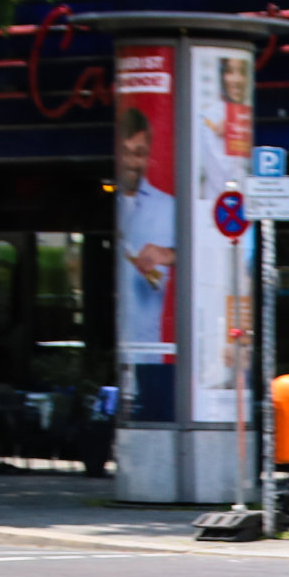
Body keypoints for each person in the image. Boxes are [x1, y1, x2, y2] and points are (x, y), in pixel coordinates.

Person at [114, 105, 176, 421]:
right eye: (126, 152)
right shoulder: (109, 203)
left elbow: (204, 250)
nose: (132, 162)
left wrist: (169, 254)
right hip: (114, 352)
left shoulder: (168, 208)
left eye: (139, 153)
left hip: (149, 358)